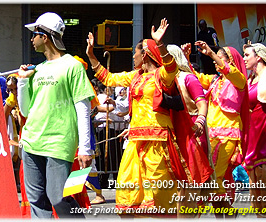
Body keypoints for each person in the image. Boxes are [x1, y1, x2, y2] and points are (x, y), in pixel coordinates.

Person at [87, 18, 193, 217]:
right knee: (127, 188)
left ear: (144, 55)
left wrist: (160, 44)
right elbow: (108, 78)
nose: (133, 57)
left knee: (157, 192)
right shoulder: (134, 76)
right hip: (135, 140)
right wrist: (91, 55)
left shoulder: (161, 75)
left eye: (134, 54)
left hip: (157, 141)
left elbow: (171, 67)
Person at [17, 12, 95, 218]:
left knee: (59, 197)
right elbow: (26, 110)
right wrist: (23, 81)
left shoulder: (73, 66)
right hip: (32, 141)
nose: (32, 39)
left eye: (35, 34)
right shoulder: (37, 69)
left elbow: (83, 107)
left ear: (45, 36)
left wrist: (85, 148)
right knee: (36, 202)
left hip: (60, 143)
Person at [193, 41, 248, 218]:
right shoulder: (215, 80)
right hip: (211, 135)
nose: (216, 63)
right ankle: (224, 216)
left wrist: (211, 54)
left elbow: (229, 71)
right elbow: (195, 78)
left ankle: (229, 214)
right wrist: (184, 59)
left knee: (214, 176)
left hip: (228, 135)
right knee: (212, 177)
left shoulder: (238, 80)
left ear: (230, 61)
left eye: (220, 59)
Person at [168, 44, 213, 218]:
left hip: (191, 133)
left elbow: (202, 104)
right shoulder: (162, 80)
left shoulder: (188, 78)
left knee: (189, 187)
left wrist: (201, 121)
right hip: (172, 134)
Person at [243, 36, 266, 218]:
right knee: (257, 203)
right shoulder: (250, 80)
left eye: (247, 55)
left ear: (258, 57)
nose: (244, 58)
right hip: (253, 143)